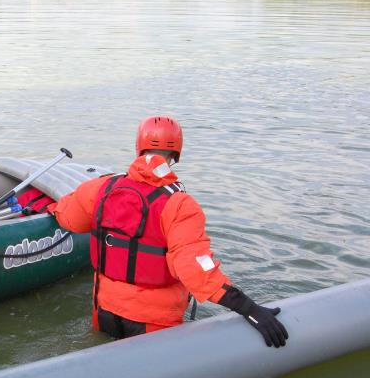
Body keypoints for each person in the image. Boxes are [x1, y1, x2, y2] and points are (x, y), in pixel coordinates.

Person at [48, 116, 288, 348]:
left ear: (138, 146)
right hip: (152, 324)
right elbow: (196, 270)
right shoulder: (180, 205)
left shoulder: (100, 187)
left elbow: (69, 218)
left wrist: (51, 208)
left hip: (104, 313)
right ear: (176, 153)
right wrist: (250, 309)